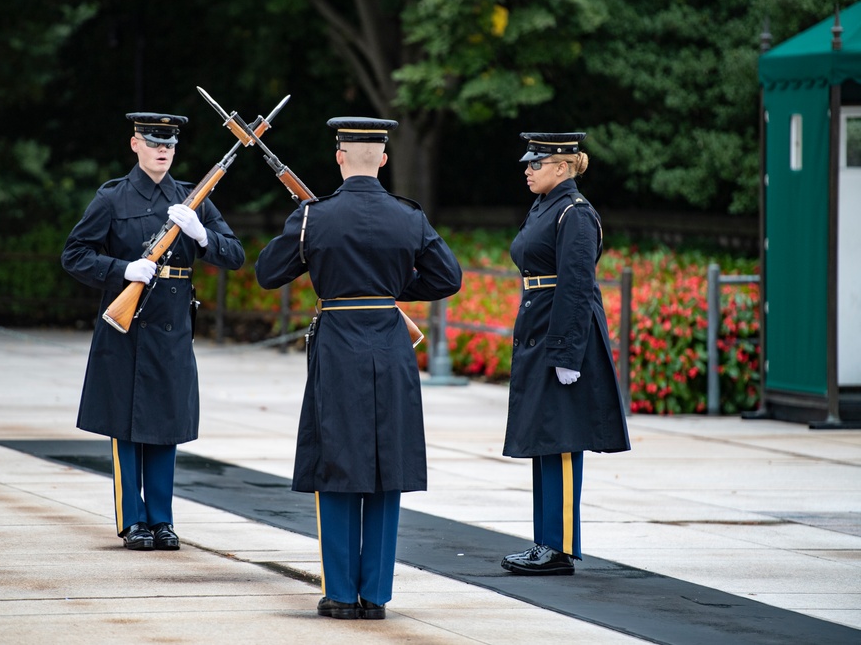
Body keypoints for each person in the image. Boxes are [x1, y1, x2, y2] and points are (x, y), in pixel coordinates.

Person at [255, 117, 462, 620]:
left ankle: (340, 593)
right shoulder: (409, 217)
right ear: (384, 159)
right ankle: (377, 597)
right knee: (385, 468)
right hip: (390, 347)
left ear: (340, 156)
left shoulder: (314, 217)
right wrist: (387, 290)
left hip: (338, 348)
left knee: (338, 464)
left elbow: (267, 273)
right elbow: (447, 277)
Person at [62, 112, 245, 551]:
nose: (163, 149)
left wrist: (202, 236)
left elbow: (234, 254)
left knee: (166, 426)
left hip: (172, 326)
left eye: (169, 143)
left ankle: (162, 520)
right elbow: (75, 254)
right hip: (126, 324)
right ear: (135, 145)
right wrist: (122, 268)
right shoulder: (113, 198)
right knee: (125, 427)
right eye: (153, 141)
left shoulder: (191, 198)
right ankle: (133, 520)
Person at [500, 132, 630, 576]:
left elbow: (576, 288)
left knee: (561, 439)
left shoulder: (574, 213)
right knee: (544, 438)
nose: (528, 169)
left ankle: (559, 547)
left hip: (561, 332)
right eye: (529, 163)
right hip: (541, 328)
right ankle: (545, 541)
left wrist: (567, 354)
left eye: (536, 163)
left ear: (563, 166)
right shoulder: (546, 208)